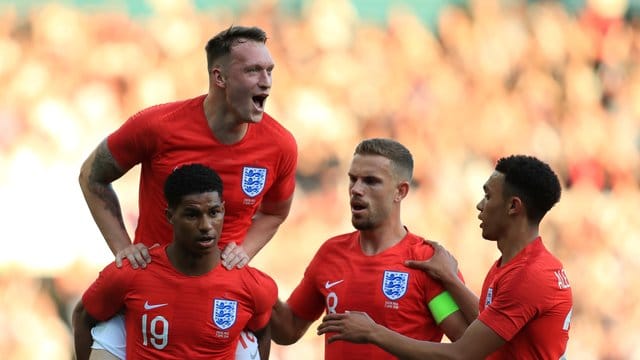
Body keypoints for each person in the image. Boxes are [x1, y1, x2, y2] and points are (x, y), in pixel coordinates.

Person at [76, 25, 297, 359]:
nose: (266, 80)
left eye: (269, 70)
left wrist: (245, 250)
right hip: (148, 296)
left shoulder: (279, 145)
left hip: (219, 300)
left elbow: (276, 211)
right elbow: (92, 176)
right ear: (219, 77)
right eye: (252, 70)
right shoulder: (159, 125)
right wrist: (124, 249)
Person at [318, 154, 573, 359]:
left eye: (488, 196)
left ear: (513, 206)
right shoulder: (514, 265)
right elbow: (488, 324)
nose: (480, 205)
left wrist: (373, 332)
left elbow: (461, 353)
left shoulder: (529, 276)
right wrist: (451, 279)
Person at [269, 138, 470, 359]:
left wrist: (374, 333)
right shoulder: (331, 253)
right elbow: (287, 331)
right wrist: (254, 283)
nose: (356, 189)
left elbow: (464, 350)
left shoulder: (426, 262)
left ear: (400, 192)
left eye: (371, 181)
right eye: (352, 179)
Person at [72, 163, 278, 359]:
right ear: (170, 216)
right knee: (108, 331)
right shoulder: (132, 272)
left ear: (223, 210)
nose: (206, 225)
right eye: (192, 215)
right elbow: (83, 317)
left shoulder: (252, 286)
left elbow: (261, 332)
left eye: (214, 212)